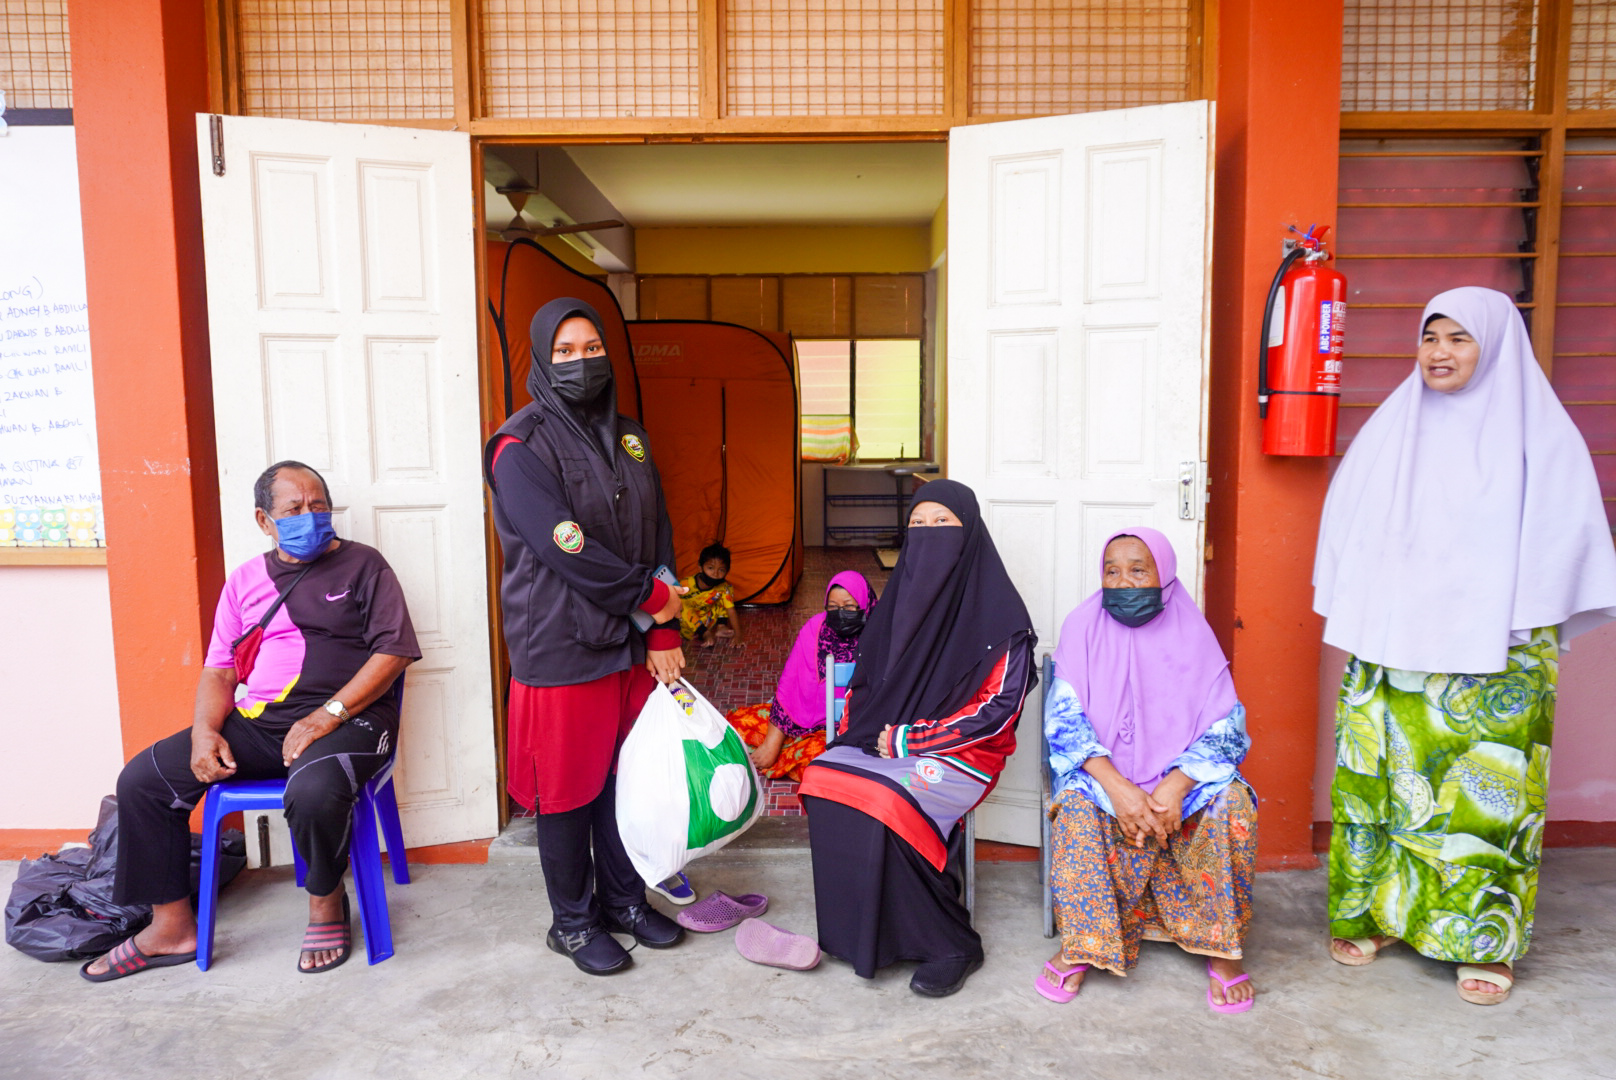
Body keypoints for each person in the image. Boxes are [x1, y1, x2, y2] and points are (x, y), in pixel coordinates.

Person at [1315, 286, 1616, 1005]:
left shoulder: (1541, 438)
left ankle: (1484, 941)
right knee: (1386, 782)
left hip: (1495, 655)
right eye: (1430, 337)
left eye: (1458, 338)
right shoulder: (1394, 429)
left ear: (1496, 345)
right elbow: (1351, 531)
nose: (1439, 352)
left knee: (1488, 799)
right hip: (1394, 651)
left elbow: (1564, 542)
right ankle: (1378, 914)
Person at [82, 461, 419, 981]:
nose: (310, 516)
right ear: (265, 520)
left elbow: (393, 651)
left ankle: (326, 902)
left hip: (351, 719)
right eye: (294, 509)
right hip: (262, 724)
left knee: (313, 790)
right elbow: (220, 671)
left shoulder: (364, 565)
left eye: (318, 506)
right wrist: (204, 733)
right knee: (143, 781)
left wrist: (327, 715)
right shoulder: (245, 581)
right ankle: (171, 927)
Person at [485, 297, 688, 976]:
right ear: (543, 360)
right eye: (565, 352)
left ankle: (624, 903)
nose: (581, 362)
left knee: (626, 780)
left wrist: (664, 627)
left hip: (628, 641)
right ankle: (572, 923)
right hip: (563, 646)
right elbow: (564, 547)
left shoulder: (630, 437)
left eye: (592, 349)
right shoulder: (519, 447)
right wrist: (650, 599)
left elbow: (658, 529)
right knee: (569, 792)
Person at [798, 480, 1036, 997]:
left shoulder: (1000, 614)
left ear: (968, 532)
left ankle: (951, 944)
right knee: (821, 778)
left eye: (942, 523)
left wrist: (913, 741)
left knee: (888, 798)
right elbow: (865, 685)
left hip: (965, 752)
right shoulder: (895, 606)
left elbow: (1000, 708)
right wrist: (862, 736)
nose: (928, 534)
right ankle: (862, 935)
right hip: (885, 737)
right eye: (918, 524)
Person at [1039, 528, 1258, 1012]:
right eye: (1112, 571)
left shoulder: (1193, 632)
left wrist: (1174, 787)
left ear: (1165, 573)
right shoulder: (1081, 626)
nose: (1123, 582)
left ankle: (1221, 947)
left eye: (1138, 570)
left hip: (1183, 778)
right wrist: (1119, 789)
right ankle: (1083, 943)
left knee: (1232, 804)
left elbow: (1226, 727)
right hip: (1103, 775)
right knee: (1076, 808)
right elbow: (1064, 721)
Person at [726, 570, 874, 781]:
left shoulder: (878, 634)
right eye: (833, 607)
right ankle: (785, 751)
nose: (840, 614)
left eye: (849, 607)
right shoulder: (816, 628)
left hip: (850, 731)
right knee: (736, 724)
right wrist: (771, 743)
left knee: (818, 762)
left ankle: (797, 755)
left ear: (864, 604)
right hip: (801, 719)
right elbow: (790, 685)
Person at [680, 543, 740, 648]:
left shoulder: (724, 586)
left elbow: (731, 610)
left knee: (725, 591)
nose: (715, 574)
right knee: (679, 604)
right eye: (711, 568)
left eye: (721, 570)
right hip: (687, 625)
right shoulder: (685, 584)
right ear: (700, 568)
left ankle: (721, 626)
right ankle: (705, 634)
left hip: (707, 621)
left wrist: (738, 635)